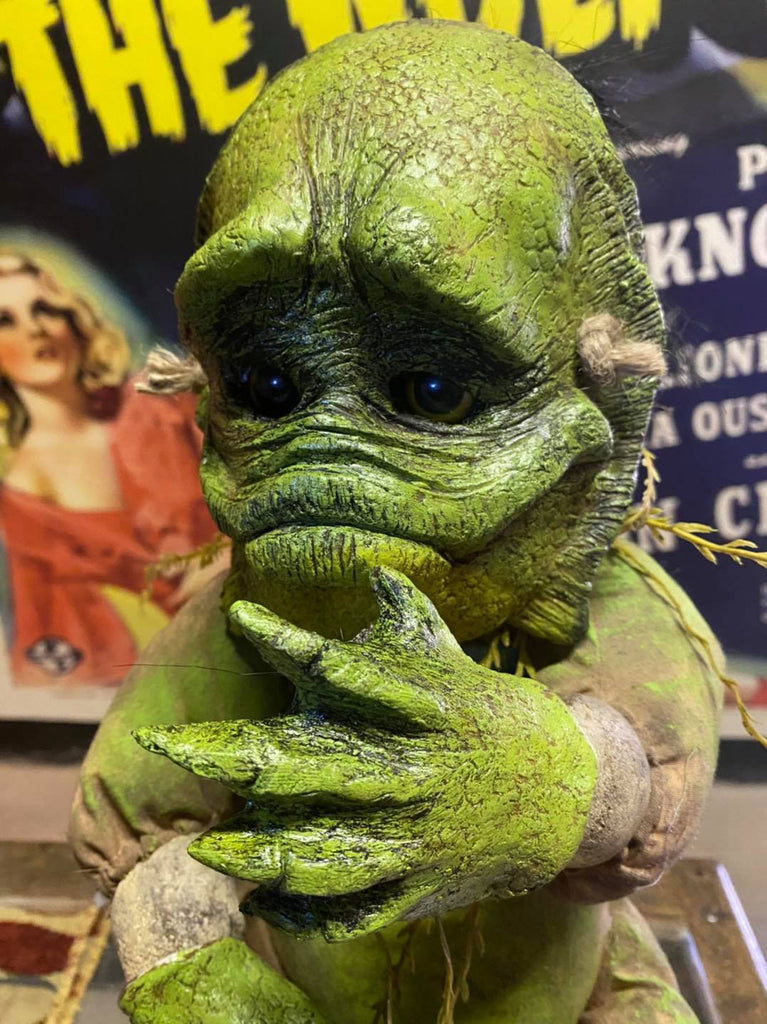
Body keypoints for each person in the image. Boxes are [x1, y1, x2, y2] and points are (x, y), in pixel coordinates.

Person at [0, 251, 225, 687]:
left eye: (44, 309)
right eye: (4, 321)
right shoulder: (22, 502)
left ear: (71, 316)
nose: (36, 329)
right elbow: (62, 660)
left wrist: (234, 555)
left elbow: (261, 481)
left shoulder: (158, 402)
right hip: (170, 682)